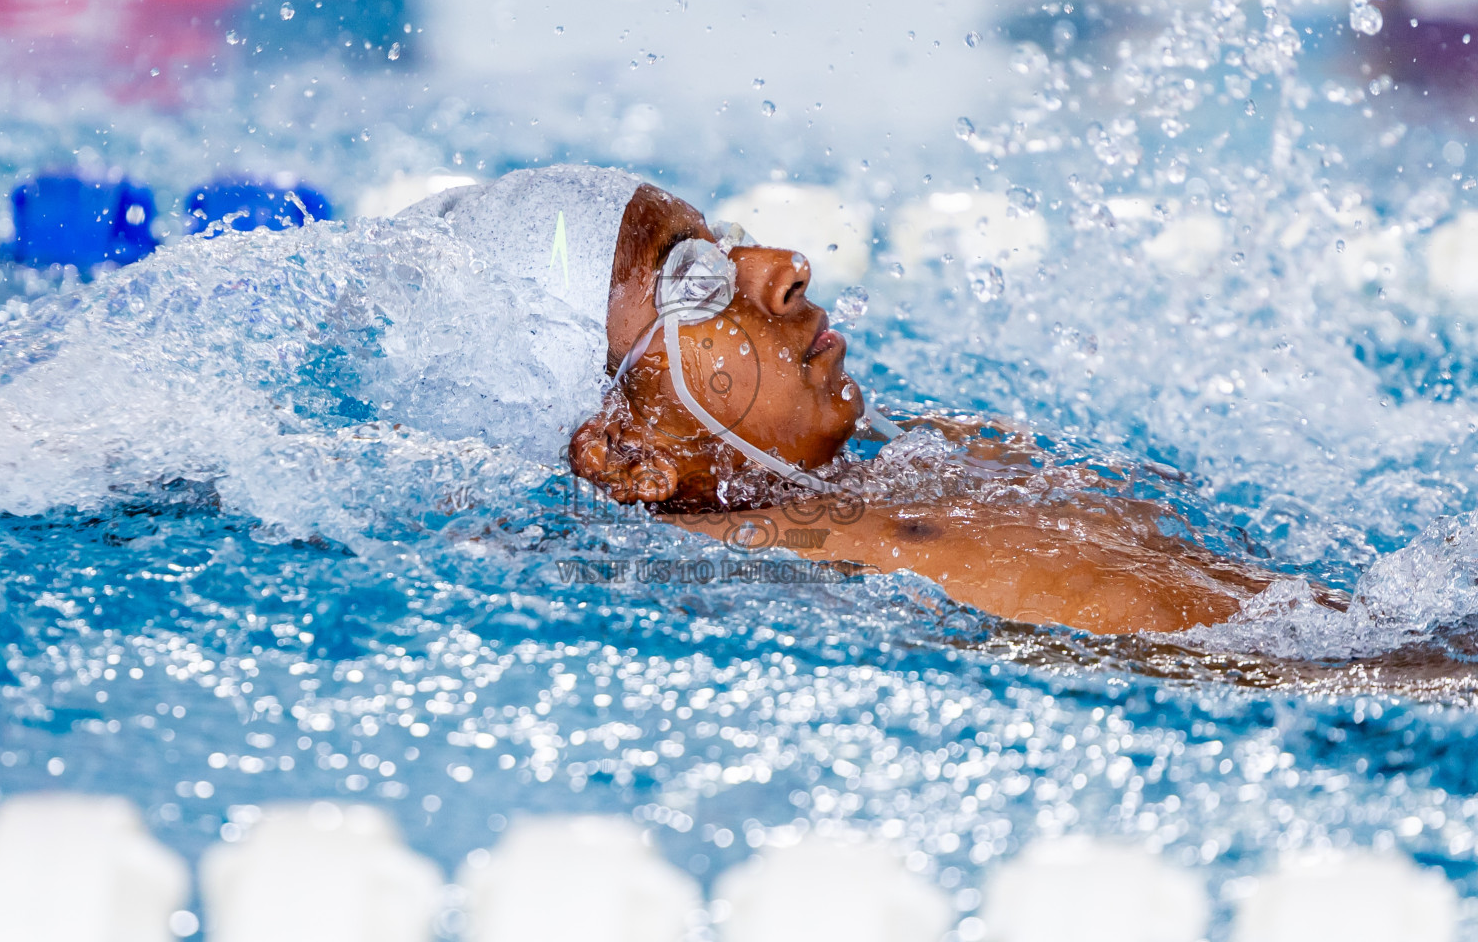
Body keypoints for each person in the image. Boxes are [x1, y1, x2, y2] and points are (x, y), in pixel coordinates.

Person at [408, 165, 1343, 635]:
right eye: (690, 282)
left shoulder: (906, 461)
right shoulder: (920, 564)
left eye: (719, 240)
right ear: (627, 457)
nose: (779, 268)